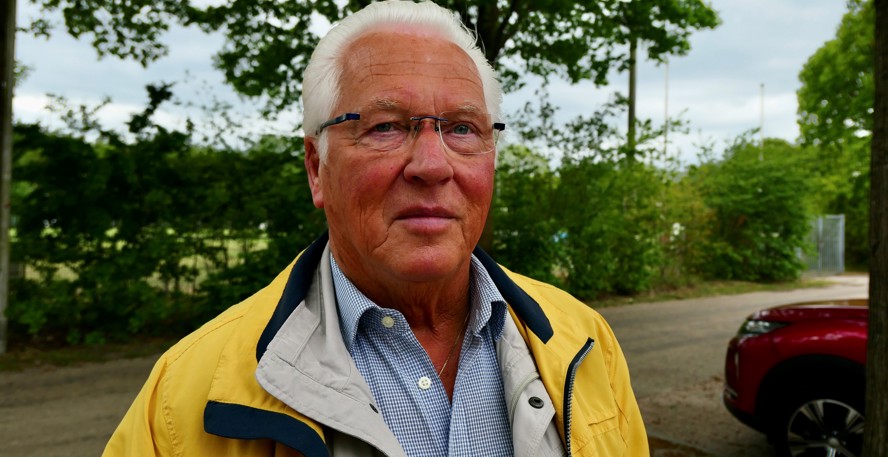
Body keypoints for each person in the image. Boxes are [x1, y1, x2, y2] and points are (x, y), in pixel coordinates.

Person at [104, 1, 648, 456]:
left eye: (462, 128)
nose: (432, 165)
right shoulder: (183, 395)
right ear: (317, 168)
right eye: (386, 127)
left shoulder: (586, 342)